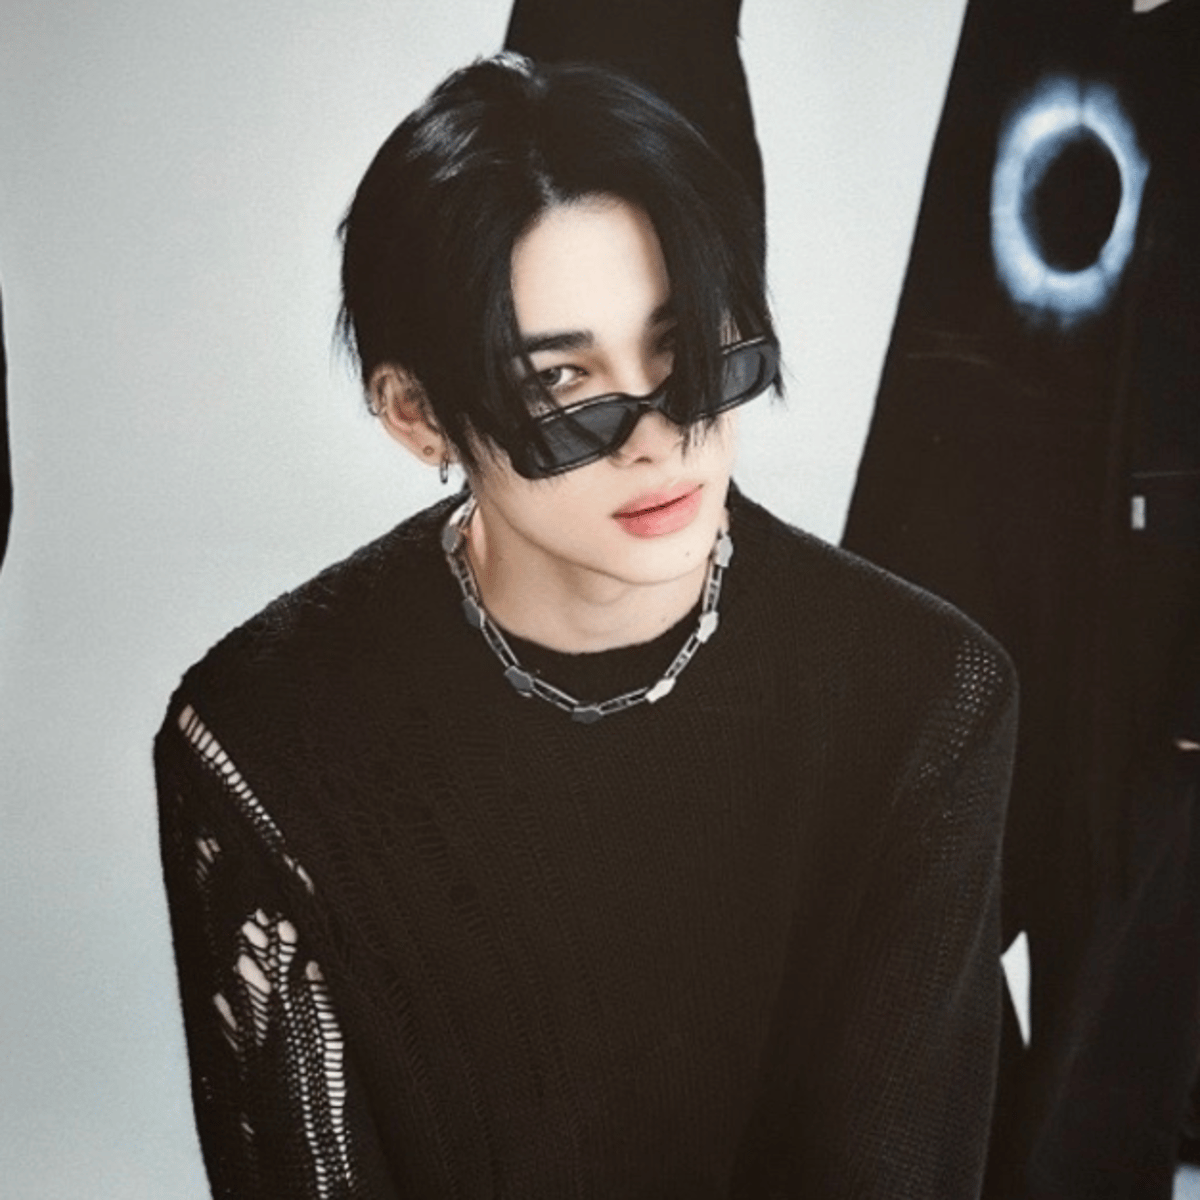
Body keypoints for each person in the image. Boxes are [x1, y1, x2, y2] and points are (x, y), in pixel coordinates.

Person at [155, 53, 1016, 1199]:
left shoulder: (924, 698)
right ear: (416, 415)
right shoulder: (262, 741)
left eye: (688, 349)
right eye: (564, 385)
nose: (660, 436)